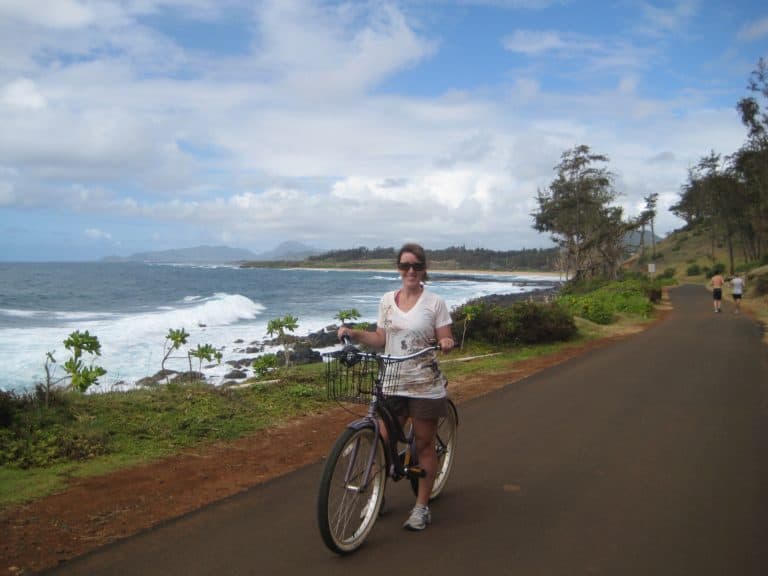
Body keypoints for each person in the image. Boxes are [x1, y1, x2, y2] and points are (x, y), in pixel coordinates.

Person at [337, 242, 455, 532]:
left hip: (424, 384)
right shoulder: (387, 301)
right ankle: (376, 496)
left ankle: (421, 507)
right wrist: (354, 333)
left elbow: (446, 336)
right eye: (405, 265)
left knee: (424, 445)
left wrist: (446, 342)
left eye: (416, 265)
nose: (410, 270)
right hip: (392, 381)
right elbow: (380, 339)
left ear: (423, 269)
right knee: (380, 439)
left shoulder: (435, 302)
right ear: (399, 269)